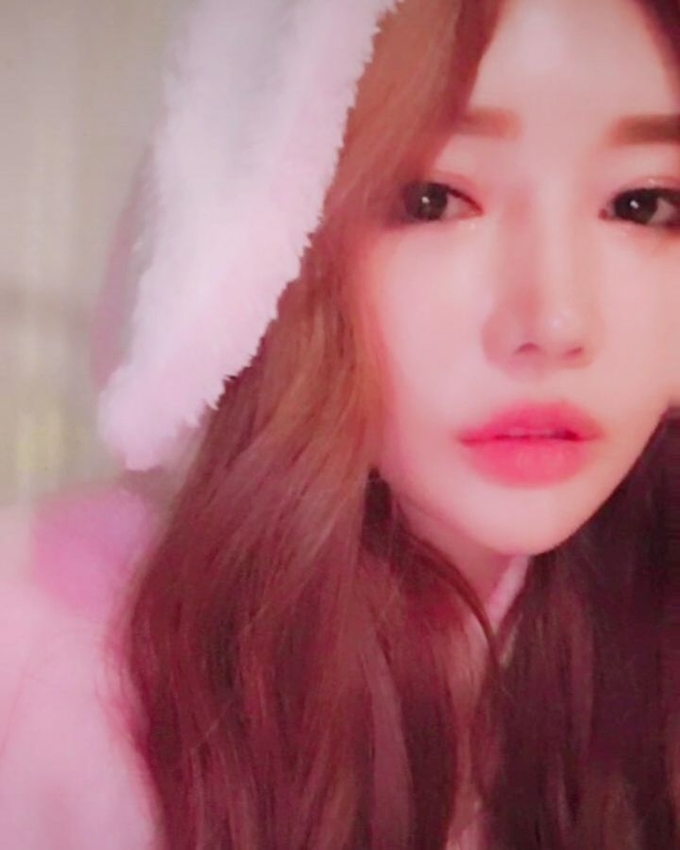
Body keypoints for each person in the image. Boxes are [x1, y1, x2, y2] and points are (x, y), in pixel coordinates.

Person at [0, 0, 679, 846]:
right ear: (267, 244)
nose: (555, 320)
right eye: (433, 199)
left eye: (643, 205)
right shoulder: (40, 658)